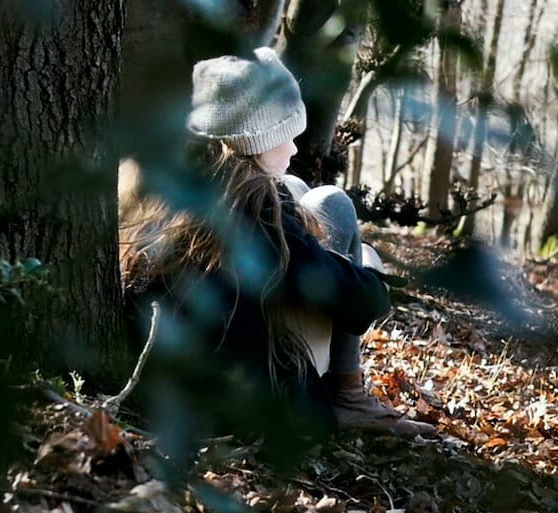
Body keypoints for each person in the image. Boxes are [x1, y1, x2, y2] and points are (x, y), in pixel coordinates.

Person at [120, 47, 436, 439]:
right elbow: (365, 303)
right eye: (286, 135)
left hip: (167, 388)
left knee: (294, 187)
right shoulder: (254, 215)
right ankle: (348, 395)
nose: (295, 148)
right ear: (256, 138)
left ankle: (349, 392)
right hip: (244, 410)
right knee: (334, 205)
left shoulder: (163, 181)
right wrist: (368, 266)